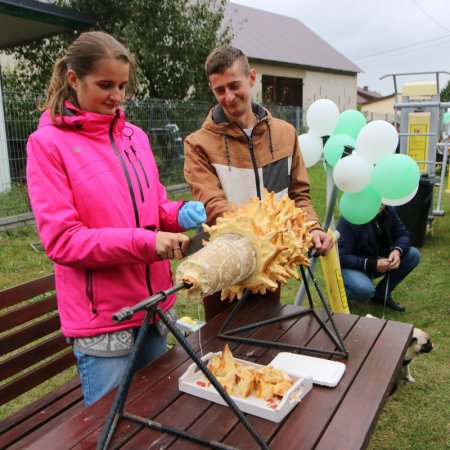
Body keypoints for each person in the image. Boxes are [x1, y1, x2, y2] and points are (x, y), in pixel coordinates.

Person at [26, 31, 206, 405]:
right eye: (105, 85)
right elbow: (64, 240)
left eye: (123, 86)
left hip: (154, 308)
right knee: (113, 430)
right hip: (103, 322)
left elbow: (153, 208)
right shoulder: (48, 145)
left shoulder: (135, 137)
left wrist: (184, 213)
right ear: (74, 79)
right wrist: (147, 242)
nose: (117, 96)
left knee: (158, 414)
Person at [183, 45, 333, 321]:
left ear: (251, 78)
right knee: (220, 347)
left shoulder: (286, 134)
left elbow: (298, 195)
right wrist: (256, 240)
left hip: (270, 263)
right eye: (219, 90)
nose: (228, 97)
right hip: (223, 266)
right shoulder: (198, 144)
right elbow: (213, 204)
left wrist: (311, 227)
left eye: (234, 86)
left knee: (268, 339)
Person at [337, 204, 420, 312]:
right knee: (364, 290)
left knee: (413, 255)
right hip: (352, 267)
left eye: (383, 198)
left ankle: (381, 295)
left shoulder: (389, 211)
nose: (381, 203)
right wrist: (373, 264)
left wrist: (397, 251)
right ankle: (339, 293)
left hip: (378, 261)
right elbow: (341, 256)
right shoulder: (349, 218)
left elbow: (403, 234)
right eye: (376, 199)